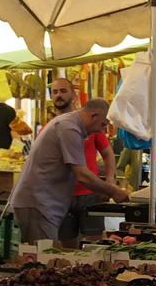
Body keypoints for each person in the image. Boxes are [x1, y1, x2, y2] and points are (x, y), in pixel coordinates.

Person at [9, 98, 128, 247]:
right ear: (94, 116)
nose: (102, 130)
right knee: (44, 254)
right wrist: (113, 191)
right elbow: (82, 175)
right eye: (103, 124)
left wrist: (109, 183)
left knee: (47, 252)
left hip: (43, 202)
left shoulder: (71, 125)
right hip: (37, 203)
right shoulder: (69, 128)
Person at [62, 116, 116, 242]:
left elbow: (107, 153)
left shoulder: (92, 127)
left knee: (94, 240)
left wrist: (110, 178)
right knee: (66, 242)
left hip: (91, 193)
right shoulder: (54, 127)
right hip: (62, 195)